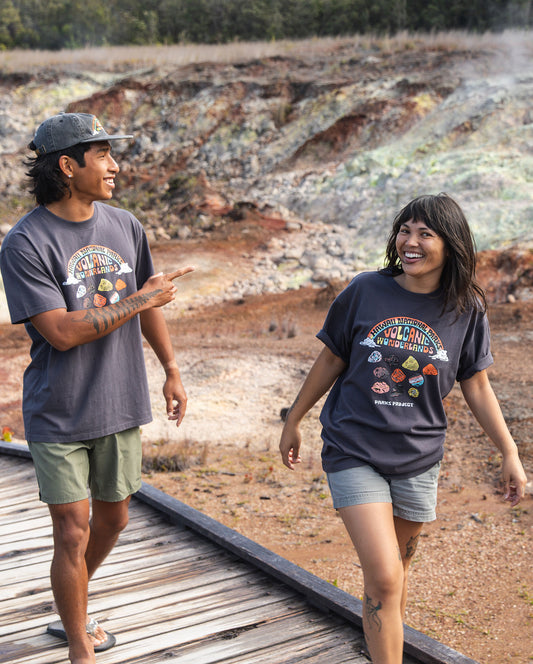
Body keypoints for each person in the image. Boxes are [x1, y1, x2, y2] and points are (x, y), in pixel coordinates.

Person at [279, 193, 527, 664]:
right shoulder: (365, 290)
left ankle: (381, 645)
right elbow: (331, 358)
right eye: (404, 231)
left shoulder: (466, 308)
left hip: (418, 458)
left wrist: (509, 451)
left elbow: (476, 384)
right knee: (385, 576)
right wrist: (295, 417)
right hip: (354, 449)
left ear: (450, 244)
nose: (410, 242)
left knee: (396, 573)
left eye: (425, 234)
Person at [0, 112, 194, 664]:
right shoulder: (24, 243)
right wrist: (143, 298)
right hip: (59, 411)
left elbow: (148, 300)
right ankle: (79, 648)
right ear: (68, 166)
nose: (115, 166)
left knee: (114, 519)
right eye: (103, 155)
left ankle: (73, 604)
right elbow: (61, 332)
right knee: (71, 531)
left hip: (120, 401)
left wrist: (171, 368)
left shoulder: (125, 225)